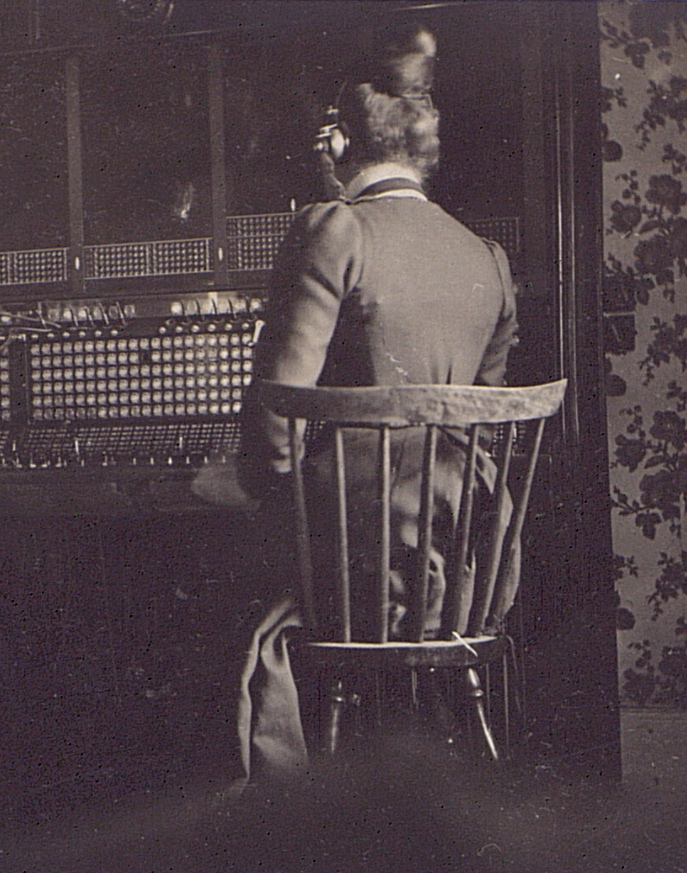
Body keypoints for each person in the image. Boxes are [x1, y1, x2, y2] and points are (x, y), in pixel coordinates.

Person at [233, 25, 520, 782]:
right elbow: (480, 422)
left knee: (207, 566)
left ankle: (265, 825)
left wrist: (262, 492)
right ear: (422, 151)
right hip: (461, 566)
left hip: (351, 553)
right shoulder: (485, 259)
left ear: (336, 145)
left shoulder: (335, 228)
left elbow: (276, 423)